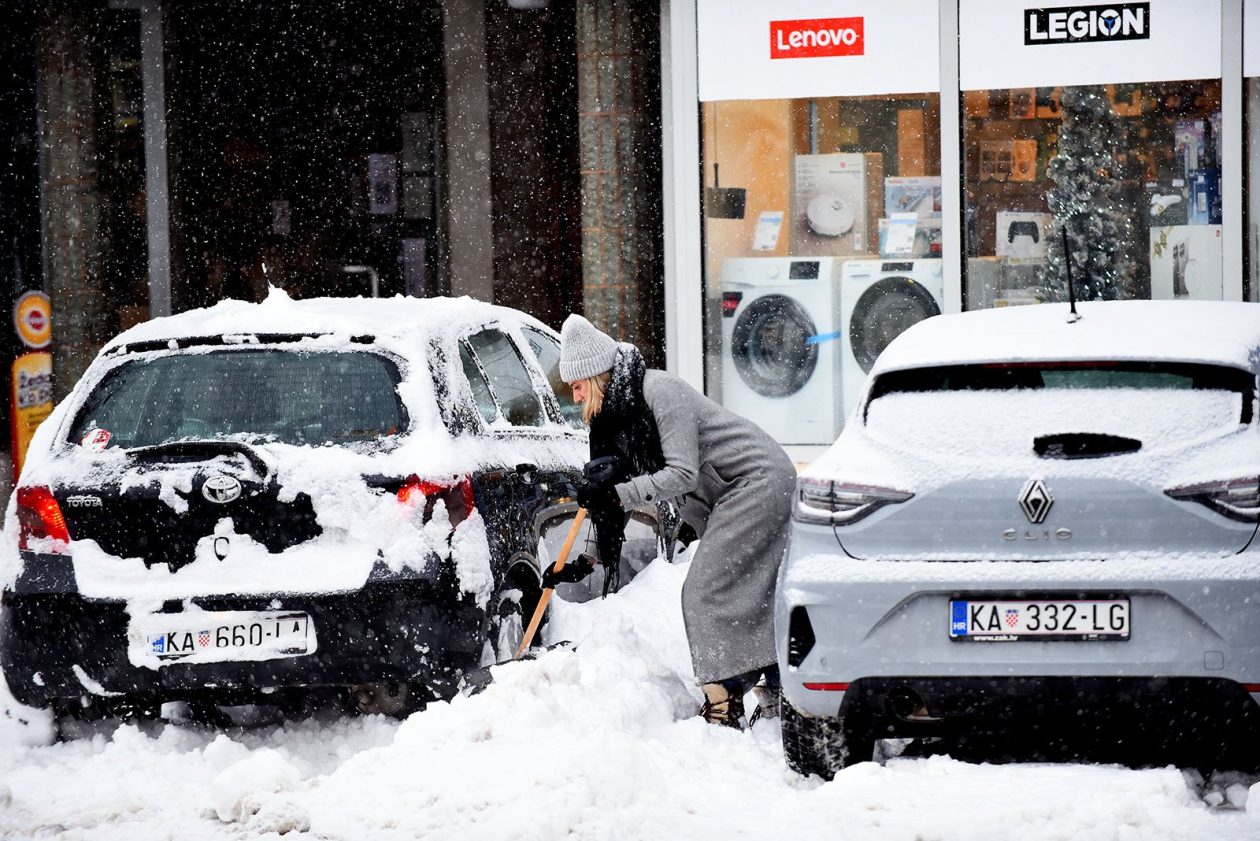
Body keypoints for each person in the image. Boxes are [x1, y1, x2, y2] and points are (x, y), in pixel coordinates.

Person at [558, 314, 797, 728]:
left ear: (596, 376)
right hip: (731, 494)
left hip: (756, 482)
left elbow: (682, 474)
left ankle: (723, 701)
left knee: (704, 592)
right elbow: (619, 495)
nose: (576, 398)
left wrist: (615, 494)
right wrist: (590, 557)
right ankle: (779, 688)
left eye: (577, 387)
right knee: (756, 591)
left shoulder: (658, 392)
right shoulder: (616, 421)